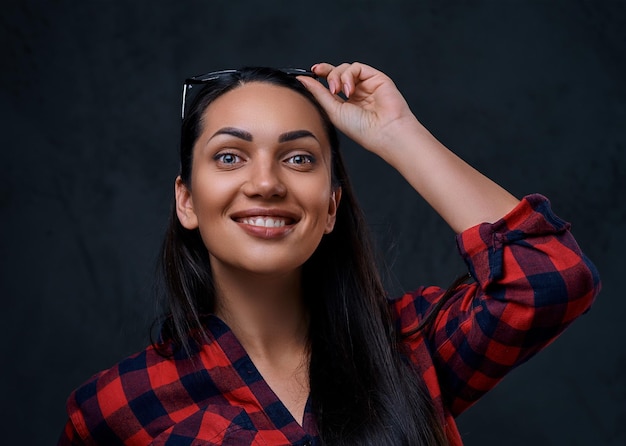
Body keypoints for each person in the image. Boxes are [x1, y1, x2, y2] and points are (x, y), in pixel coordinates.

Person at [58, 62, 600, 445]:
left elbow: (550, 276)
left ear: (332, 206)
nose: (266, 182)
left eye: (298, 158)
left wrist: (396, 133)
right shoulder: (114, 410)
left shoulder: (410, 348)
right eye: (230, 157)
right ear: (187, 200)